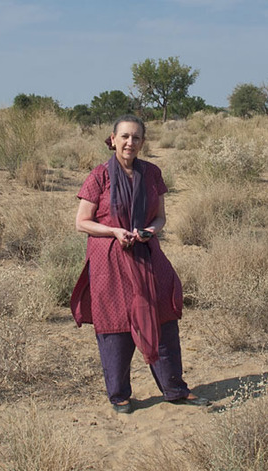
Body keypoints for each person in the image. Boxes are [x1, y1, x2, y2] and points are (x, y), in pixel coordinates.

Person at [71, 114, 209, 414]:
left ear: (142, 142)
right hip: (109, 258)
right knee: (114, 325)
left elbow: (160, 216)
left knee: (161, 317)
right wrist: (113, 231)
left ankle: (174, 388)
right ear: (113, 139)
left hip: (146, 254)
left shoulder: (152, 174)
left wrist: (151, 231)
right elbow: (82, 222)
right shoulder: (99, 176)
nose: (130, 142)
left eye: (136, 137)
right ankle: (119, 395)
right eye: (124, 137)